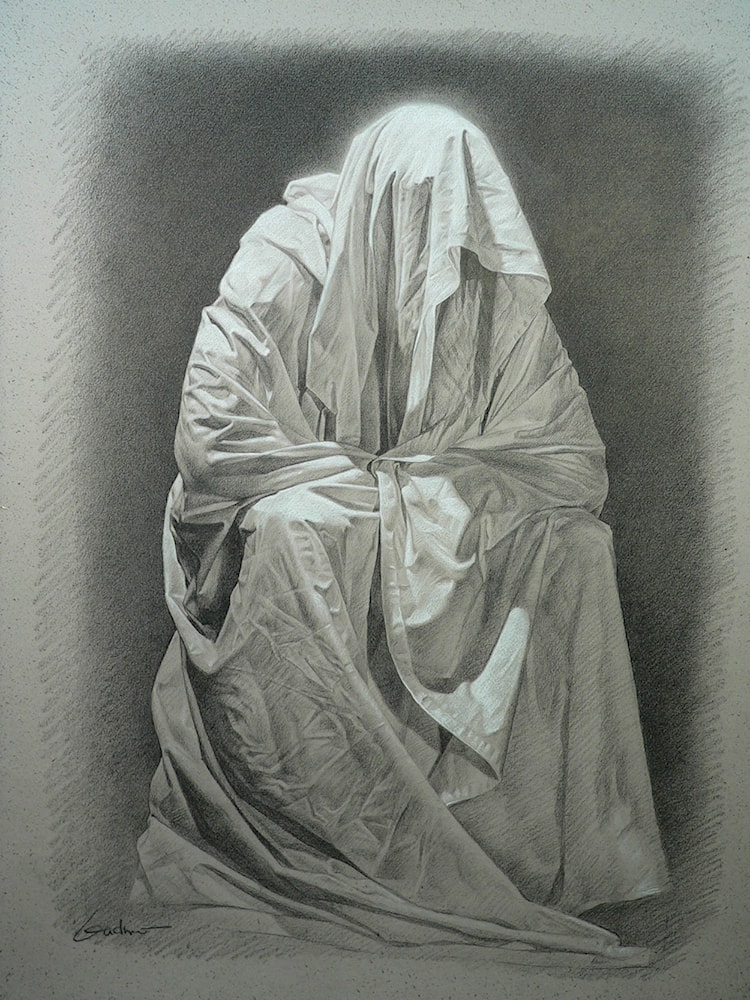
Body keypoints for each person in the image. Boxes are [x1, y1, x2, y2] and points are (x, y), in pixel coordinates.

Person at [133, 104, 668, 962]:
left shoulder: (478, 274)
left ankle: (523, 861)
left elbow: (568, 461)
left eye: (453, 230)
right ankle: (334, 839)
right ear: (377, 201)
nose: (440, 254)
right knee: (295, 530)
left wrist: (412, 495)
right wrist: (385, 489)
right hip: (297, 505)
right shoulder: (285, 255)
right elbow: (213, 442)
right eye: (420, 222)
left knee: (575, 548)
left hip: (391, 506)